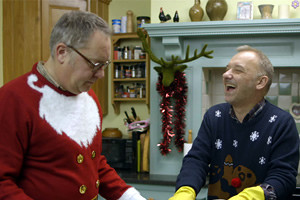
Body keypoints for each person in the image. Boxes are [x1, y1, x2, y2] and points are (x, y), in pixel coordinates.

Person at [0, 11, 146, 200]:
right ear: (62, 53)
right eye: (95, 64)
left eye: (105, 64)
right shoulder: (13, 99)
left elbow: (93, 163)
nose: (101, 74)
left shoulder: (88, 96)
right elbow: (2, 184)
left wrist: (130, 197)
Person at [169, 45, 299, 200]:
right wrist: (185, 190)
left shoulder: (282, 123)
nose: (226, 74)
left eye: (238, 70)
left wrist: (249, 197)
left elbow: (283, 177)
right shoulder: (214, 116)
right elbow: (197, 160)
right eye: (227, 69)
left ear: (260, 82)